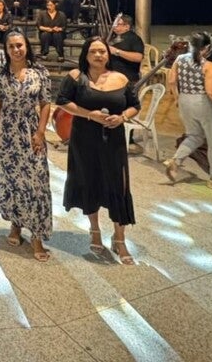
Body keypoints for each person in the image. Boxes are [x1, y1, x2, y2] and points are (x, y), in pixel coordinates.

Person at [55, 37, 140, 265]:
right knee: (89, 182)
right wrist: (89, 115)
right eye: (93, 51)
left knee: (118, 185)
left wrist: (122, 117)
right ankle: (95, 230)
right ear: (86, 54)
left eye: (102, 51)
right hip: (84, 139)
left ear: (108, 55)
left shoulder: (121, 78)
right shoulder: (76, 77)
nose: (98, 55)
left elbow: (135, 105)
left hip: (113, 140)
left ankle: (119, 238)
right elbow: (61, 100)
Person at [0, 30, 53, 261]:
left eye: (20, 45)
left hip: (31, 132)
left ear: (27, 46)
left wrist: (41, 132)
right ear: (6, 50)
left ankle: (37, 236)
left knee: (36, 183)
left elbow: (45, 103)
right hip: (7, 134)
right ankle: (15, 224)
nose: (16, 49)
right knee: (11, 180)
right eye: (11, 46)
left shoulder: (40, 72)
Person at [164, 32, 212, 189]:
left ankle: (176, 160)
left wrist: (177, 98)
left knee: (194, 136)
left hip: (184, 100)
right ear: (207, 48)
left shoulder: (180, 59)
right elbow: (211, 91)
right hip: (202, 102)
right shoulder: (209, 66)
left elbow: (171, 81)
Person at [107, 14, 144, 83]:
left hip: (125, 75)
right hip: (110, 73)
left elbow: (138, 57)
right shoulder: (113, 37)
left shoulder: (134, 38)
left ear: (126, 27)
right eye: (113, 24)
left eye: (117, 24)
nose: (114, 26)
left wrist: (117, 51)